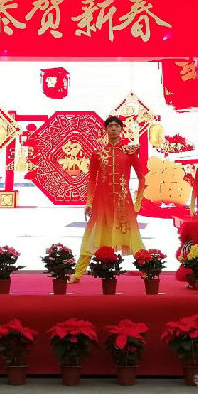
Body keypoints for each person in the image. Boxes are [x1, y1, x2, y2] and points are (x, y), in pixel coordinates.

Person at [69, 116, 147, 283]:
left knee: (133, 237)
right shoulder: (98, 154)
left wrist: (138, 201)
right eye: (110, 126)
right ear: (105, 130)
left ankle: (148, 270)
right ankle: (78, 274)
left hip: (123, 203)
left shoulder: (129, 152)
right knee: (92, 236)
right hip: (101, 203)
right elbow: (92, 180)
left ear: (121, 129)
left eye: (116, 126)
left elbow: (142, 177)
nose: (113, 128)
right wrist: (88, 202)